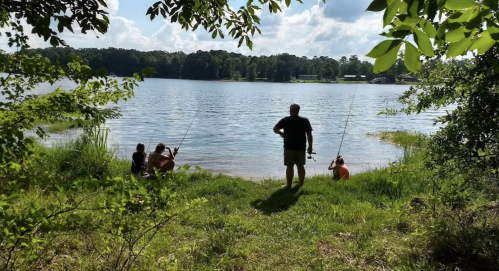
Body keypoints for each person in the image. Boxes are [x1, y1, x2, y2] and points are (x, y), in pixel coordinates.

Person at [273, 103, 313, 188]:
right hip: (301, 148)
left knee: (289, 166)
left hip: (289, 147)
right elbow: (309, 135)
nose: (290, 111)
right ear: (298, 111)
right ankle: (301, 184)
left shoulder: (285, 120)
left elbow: (275, 129)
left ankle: (289, 186)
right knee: (300, 166)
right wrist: (310, 147)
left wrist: (281, 133)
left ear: (293, 110)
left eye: (290, 109)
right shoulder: (305, 120)